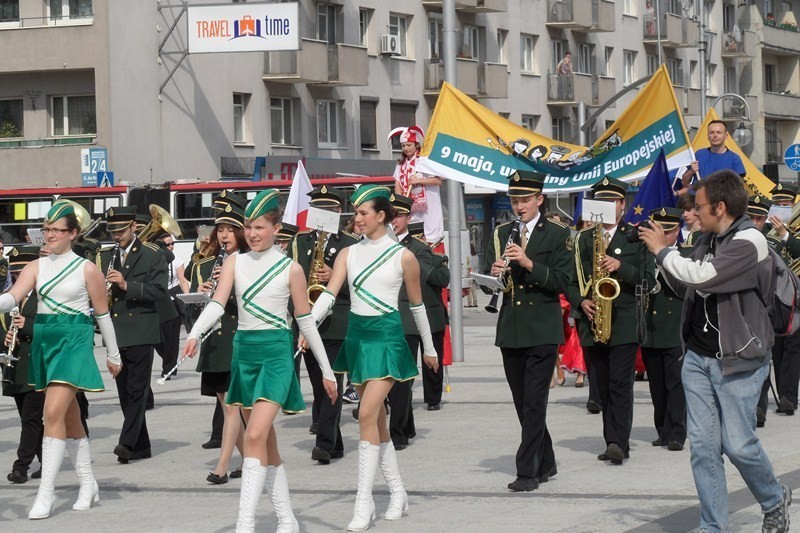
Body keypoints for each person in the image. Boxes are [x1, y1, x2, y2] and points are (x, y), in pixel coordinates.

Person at [639, 170, 792, 533]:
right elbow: (688, 285)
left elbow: (705, 277)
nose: (693, 212)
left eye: (700, 206)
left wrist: (663, 251)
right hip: (697, 357)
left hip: (739, 359)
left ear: (720, 207)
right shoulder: (706, 238)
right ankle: (713, 526)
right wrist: (661, 259)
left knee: (739, 445)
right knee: (704, 449)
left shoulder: (749, 241)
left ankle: (773, 498)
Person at [184, 189, 337, 532]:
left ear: (276, 227)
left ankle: (245, 523)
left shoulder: (291, 269)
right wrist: (194, 333)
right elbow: (217, 303)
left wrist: (327, 371)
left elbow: (306, 321)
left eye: (260, 227)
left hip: (276, 355)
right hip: (244, 354)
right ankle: (287, 518)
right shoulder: (234, 262)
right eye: (248, 227)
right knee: (266, 442)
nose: (252, 234)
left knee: (253, 436)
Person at [310, 184, 439, 530]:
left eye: (364, 212)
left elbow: (417, 306)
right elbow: (329, 293)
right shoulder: (348, 254)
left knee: (365, 413)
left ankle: (363, 502)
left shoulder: (404, 257)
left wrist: (428, 347)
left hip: (387, 338)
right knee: (377, 424)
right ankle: (397, 492)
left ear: (382, 216)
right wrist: (307, 324)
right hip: (358, 338)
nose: (358, 218)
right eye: (356, 213)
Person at [0, 201, 121, 519]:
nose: (49, 235)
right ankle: (88, 483)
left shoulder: (87, 268)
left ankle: (46, 493)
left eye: (56, 230)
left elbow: (103, 314)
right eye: (47, 230)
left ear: (73, 233)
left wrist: (113, 354)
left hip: (74, 343)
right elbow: (13, 297)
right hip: (45, 343)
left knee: (51, 413)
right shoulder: (36, 267)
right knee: (70, 420)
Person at [485, 171, 571, 491]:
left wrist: (529, 263)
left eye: (524, 200)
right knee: (523, 402)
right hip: (512, 327)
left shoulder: (557, 233)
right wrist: (496, 273)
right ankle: (546, 460)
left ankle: (527, 472)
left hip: (543, 327)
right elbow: (501, 283)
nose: (519, 206)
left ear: (539, 199)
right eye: (514, 200)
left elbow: (563, 281)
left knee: (535, 401)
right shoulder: (503, 231)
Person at [566, 176, 655, 465]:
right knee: (602, 386)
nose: (606, 207)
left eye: (611, 202)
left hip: (624, 320)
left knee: (620, 384)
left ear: (622, 205)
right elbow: (568, 278)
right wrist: (580, 301)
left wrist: (621, 266)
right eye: (600, 202)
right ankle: (611, 439)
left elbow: (648, 278)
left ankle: (619, 442)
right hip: (593, 320)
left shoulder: (635, 235)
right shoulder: (582, 239)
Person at [289, 185, 359, 464]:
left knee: (332, 381)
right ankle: (337, 443)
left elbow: (357, 288)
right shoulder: (300, 242)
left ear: (337, 212)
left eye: (327, 211)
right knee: (319, 386)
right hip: (307, 323)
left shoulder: (350, 244)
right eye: (317, 210)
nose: (321, 216)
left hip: (336, 323)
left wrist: (333, 277)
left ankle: (324, 445)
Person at [97, 206, 168, 464]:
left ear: (134, 227)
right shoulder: (105, 256)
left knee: (137, 391)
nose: (116, 236)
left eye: (121, 231)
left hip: (140, 329)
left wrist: (127, 285)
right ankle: (142, 445)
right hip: (116, 332)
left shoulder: (152, 254)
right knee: (125, 393)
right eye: (113, 231)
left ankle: (126, 443)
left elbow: (160, 291)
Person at [185, 194, 248, 484]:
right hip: (214, 341)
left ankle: (222, 465)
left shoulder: (249, 263)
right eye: (220, 229)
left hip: (236, 338)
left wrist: (229, 286)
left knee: (233, 407)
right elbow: (200, 306)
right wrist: (203, 292)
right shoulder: (204, 264)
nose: (224, 235)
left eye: (230, 229)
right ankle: (250, 460)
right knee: (226, 405)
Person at [640, 207, 687, 452]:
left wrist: (662, 256)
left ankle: (677, 432)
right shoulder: (644, 257)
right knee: (656, 386)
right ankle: (663, 430)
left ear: (676, 231)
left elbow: (682, 286)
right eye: (657, 231)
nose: (662, 237)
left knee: (675, 384)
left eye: (666, 232)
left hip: (674, 330)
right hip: (650, 330)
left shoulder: (683, 256)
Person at [2, 244, 44, 484]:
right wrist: (6, 338)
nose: (19, 277)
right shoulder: (11, 296)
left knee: (30, 418)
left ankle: (21, 466)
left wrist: (25, 325)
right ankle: (46, 459)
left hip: (37, 364)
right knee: (30, 419)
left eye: (23, 272)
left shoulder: (46, 296)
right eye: (16, 273)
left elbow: (53, 331)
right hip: (16, 367)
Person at [390, 126, 445, 246]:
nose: (406, 148)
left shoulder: (425, 161)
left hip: (429, 209)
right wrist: (401, 205)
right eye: (403, 145)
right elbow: (397, 186)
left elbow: (437, 181)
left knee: (431, 240)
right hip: (411, 210)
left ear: (416, 145)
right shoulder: (400, 165)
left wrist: (419, 181)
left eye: (409, 145)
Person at [155, 233, 187, 380]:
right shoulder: (154, 259)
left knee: (172, 338)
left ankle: (168, 369)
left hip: (173, 301)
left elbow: (182, 280)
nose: (171, 247)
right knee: (158, 339)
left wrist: (188, 299)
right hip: (157, 300)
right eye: (167, 244)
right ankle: (168, 359)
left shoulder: (177, 261)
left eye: (172, 244)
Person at [681, 120, 747, 189]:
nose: (715, 135)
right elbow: (684, 182)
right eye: (712, 132)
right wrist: (691, 171)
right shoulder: (699, 154)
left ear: (726, 136)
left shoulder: (734, 159)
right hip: (699, 198)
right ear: (708, 136)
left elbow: (739, 187)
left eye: (719, 132)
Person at [466, 242, 479, 308]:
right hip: (475, 274)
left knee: (468, 289)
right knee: (473, 289)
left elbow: (468, 265)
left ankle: (469, 303)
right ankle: (475, 302)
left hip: (469, 274)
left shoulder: (468, 256)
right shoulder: (476, 256)